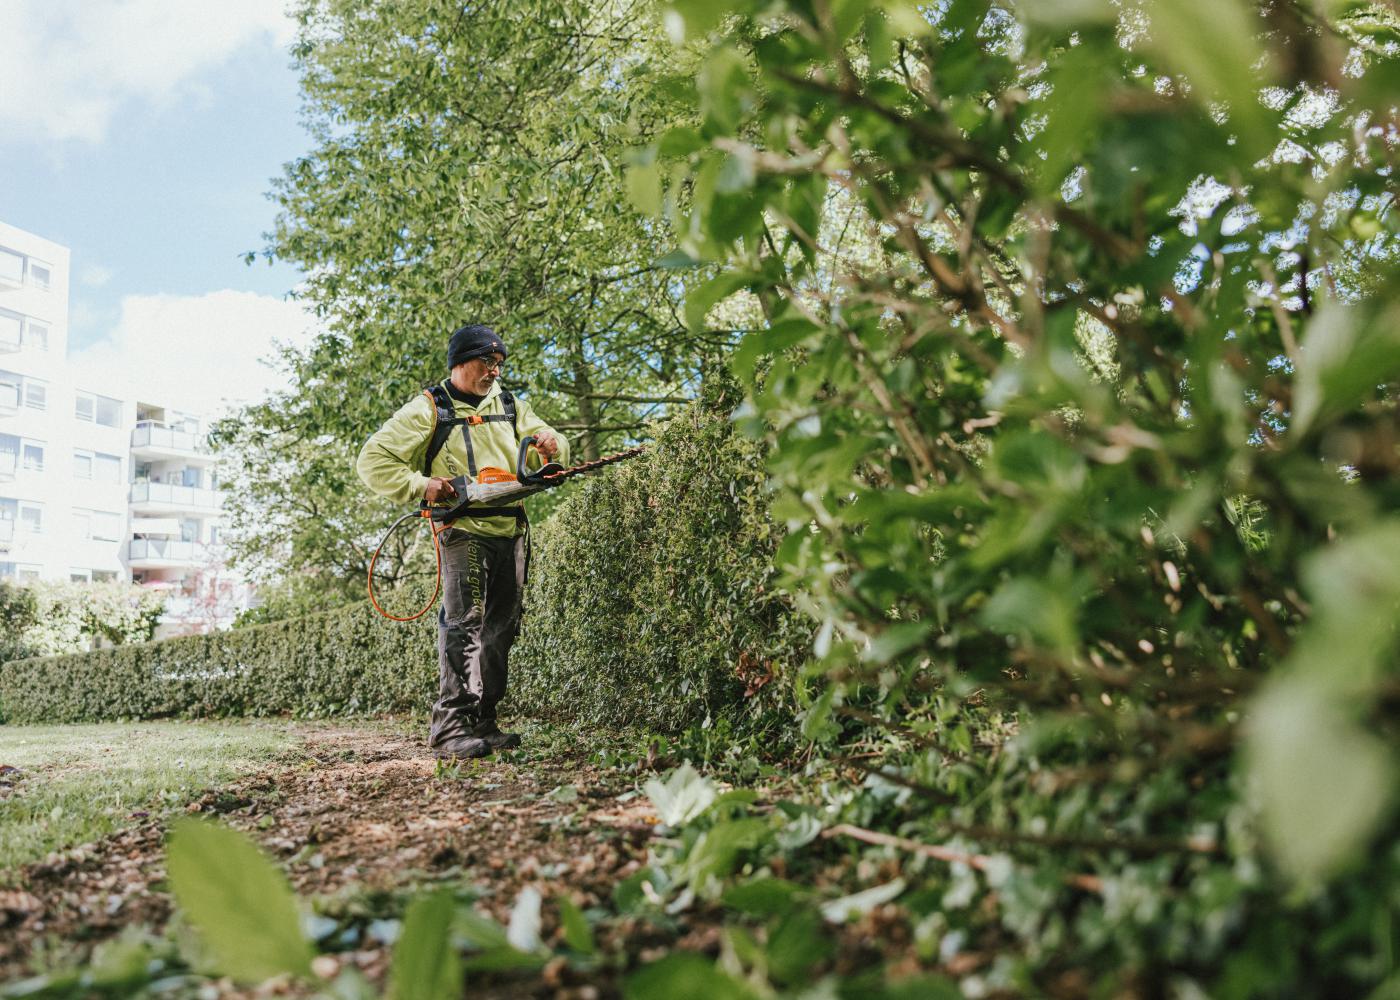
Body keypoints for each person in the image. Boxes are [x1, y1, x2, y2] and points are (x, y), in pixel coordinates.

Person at [356, 323, 568, 759]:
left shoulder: (509, 404)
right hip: (462, 530)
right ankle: (449, 728)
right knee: (464, 627)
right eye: (486, 362)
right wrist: (421, 485)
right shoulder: (429, 408)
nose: (494, 370)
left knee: (500, 630)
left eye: (499, 363)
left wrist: (552, 444)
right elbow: (372, 460)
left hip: (510, 528)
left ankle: (483, 721)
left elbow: (555, 446)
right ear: (460, 363)